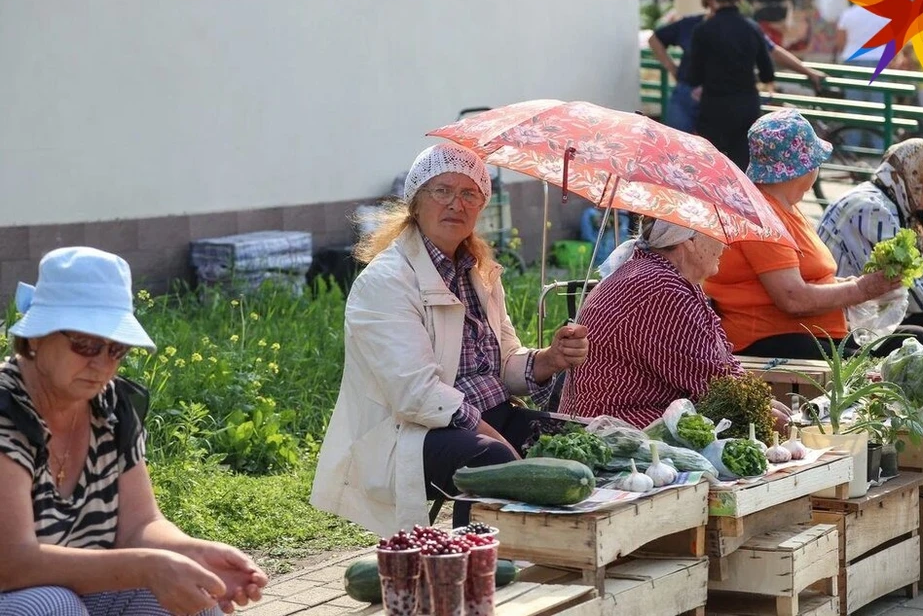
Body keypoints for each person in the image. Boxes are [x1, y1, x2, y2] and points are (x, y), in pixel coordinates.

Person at [310, 143, 589, 535]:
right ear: (416, 202)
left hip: (485, 415)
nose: (455, 204)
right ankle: (472, 567)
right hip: (408, 432)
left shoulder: (480, 273)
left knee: (578, 445)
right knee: (490, 459)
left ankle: (558, 552)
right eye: (442, 191)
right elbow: (415, 394)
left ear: (480, 207)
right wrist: (504, 448)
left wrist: (551, 358)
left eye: (469, 193)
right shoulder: (386, 282)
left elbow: (502, 363)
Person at [0, 247, 268, 615]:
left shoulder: (111, 405)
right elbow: (12, 563)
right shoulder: (5, 409)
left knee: (195, 600)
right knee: (51, 606)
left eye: (116, 349)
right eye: (86, 344)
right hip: (18, 591)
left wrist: (193, 553)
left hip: (76, 588)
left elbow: (140, 525)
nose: (101, 364)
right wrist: (146, 565)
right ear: (35, 337)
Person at [703, 109, 904, 359]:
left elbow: (810, 281)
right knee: (899, 354)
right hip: (773, 342)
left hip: (807, 336)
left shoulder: (781, 206)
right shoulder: (760, 215)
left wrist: (860, 286)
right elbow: (793, 298)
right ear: (805, 168)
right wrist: (861, 289)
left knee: (906, 340)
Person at [557, 217, 741, 428]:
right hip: (614, 435)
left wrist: (758, 398)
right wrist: (762, 406)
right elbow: (712, 384)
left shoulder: (665, 277)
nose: (725, 244)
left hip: (626, 425)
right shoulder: (661, 288)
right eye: (716, 233)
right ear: (688, 241)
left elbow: (721, 359)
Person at [649, 0, 825, 134]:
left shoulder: (702, 30)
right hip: (718, 98)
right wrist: (672, 67)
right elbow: (768, 63)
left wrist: (806, 70)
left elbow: (774, 51)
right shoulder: (742, 27)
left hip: (712, 99)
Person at [817, 138, 923, 326]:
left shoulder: (900, 206)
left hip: (870, 315)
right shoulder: (873, 209)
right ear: (912, 173)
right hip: (847, 325)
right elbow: (916, 299)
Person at [687, 0, 776, 170]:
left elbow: (693, 75)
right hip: (746, 106)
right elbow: (767, 72)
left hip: (714, 108)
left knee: (710, 167)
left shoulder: (703, 30)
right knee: (742, 169)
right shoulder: (752, 28)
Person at [834, 0, 890, 151]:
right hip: (880, 61)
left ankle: (853, 146)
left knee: (854, 106)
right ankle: (879, 147)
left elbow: (840, 43)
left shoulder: (848, 14)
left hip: (853, 60)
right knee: (879, 107)